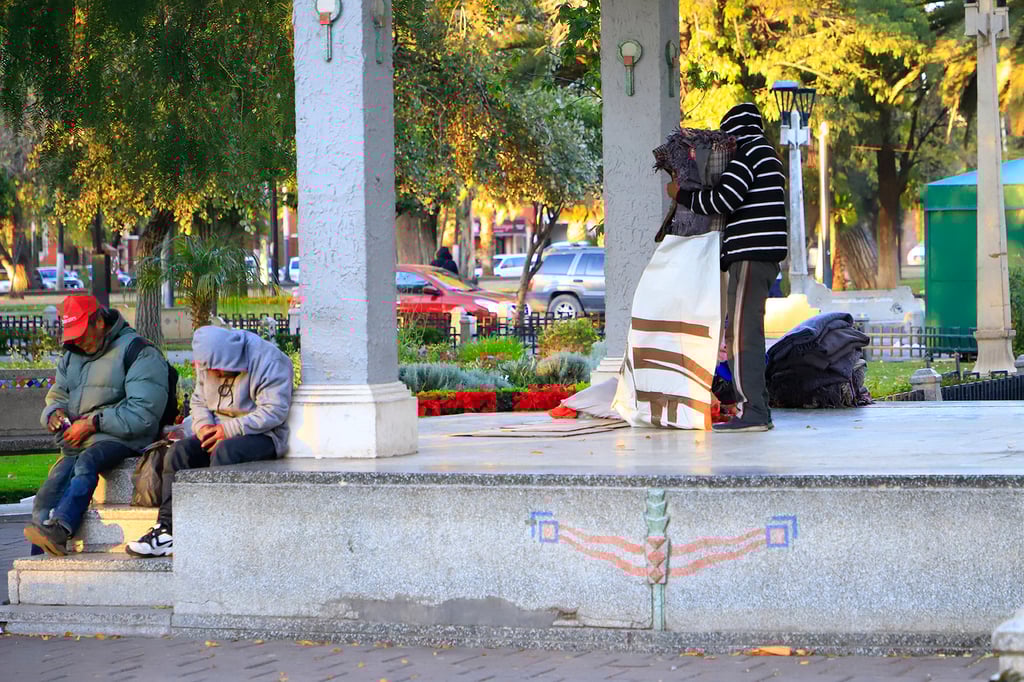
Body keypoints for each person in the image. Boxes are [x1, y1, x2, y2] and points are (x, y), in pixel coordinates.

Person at [668, 102, 787, 432]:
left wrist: (682, 196)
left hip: (751, 255)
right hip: (761, 256)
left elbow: (724, 199)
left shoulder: (748, 154)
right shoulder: (767, 154)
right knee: (744, 331)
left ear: (734, 133)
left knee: (742, 336)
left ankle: (754, 413)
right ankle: (753, 409)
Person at [127, 325, 294, 557]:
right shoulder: (208, 360)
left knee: (225, 452)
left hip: (263, 435)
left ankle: (214, 529)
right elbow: (198, 401)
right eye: (211, 371)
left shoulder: (269, 359)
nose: (214, 375)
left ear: (231, 360)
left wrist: (229, 429)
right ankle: (167, 530)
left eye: (220, 370)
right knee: (179, 452)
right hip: (219, 430)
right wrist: (203, 427)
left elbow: (274, 411)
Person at [24, 295, 169, 556]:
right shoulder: (72, 354)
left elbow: (143, 414)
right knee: (47, 493)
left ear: (100, 322)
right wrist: (54, 413)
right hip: (82, 438)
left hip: (125, 436)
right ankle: (40, 560)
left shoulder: (139, 351)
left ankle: (63, 528)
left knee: (86, 462)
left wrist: (92, 423)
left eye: (82, 333)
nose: (77, 341)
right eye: (72, 335)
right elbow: (58, 394)